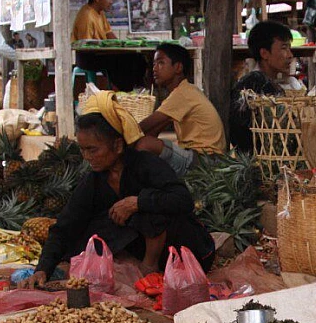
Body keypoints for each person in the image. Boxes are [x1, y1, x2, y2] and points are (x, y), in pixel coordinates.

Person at [26, 91, 214, 285]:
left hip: (186, 250)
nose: (87, 157)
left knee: (151, 206)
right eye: (83, 150)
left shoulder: (146, 164)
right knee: (91, 227)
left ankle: (149, 269)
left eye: (93, 150)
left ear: (117, 145)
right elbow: (65, 225)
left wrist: (138, 202)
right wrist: (43, 269)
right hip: (142, 246)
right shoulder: (94, 180)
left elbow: (183, 200)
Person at [137, 43, 226, 176]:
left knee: (145, 144)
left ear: (178, 67)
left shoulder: (183, 94)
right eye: (154, 64)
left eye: (161, 63)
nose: (155, 69)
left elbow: (143, 127)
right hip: (202, 157)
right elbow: (153, 129)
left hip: (207, 161)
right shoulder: (184, 91)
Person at [228, 21, 294, 154]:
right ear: (264, 53)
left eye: (289, 48)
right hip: (264, 158)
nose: (290, 55)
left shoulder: (261, 81)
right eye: (284, 48)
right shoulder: (256, 82)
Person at [72, 0, 144, 92]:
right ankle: (126, 91)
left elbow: (108, 33)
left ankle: (136, 91)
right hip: (87, 57)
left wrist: (123, 46)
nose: (111, 2)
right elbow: (86, 47)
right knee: (122, 62)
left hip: (101, 53)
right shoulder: (86, 15)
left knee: (137, 57)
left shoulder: (100, 13)